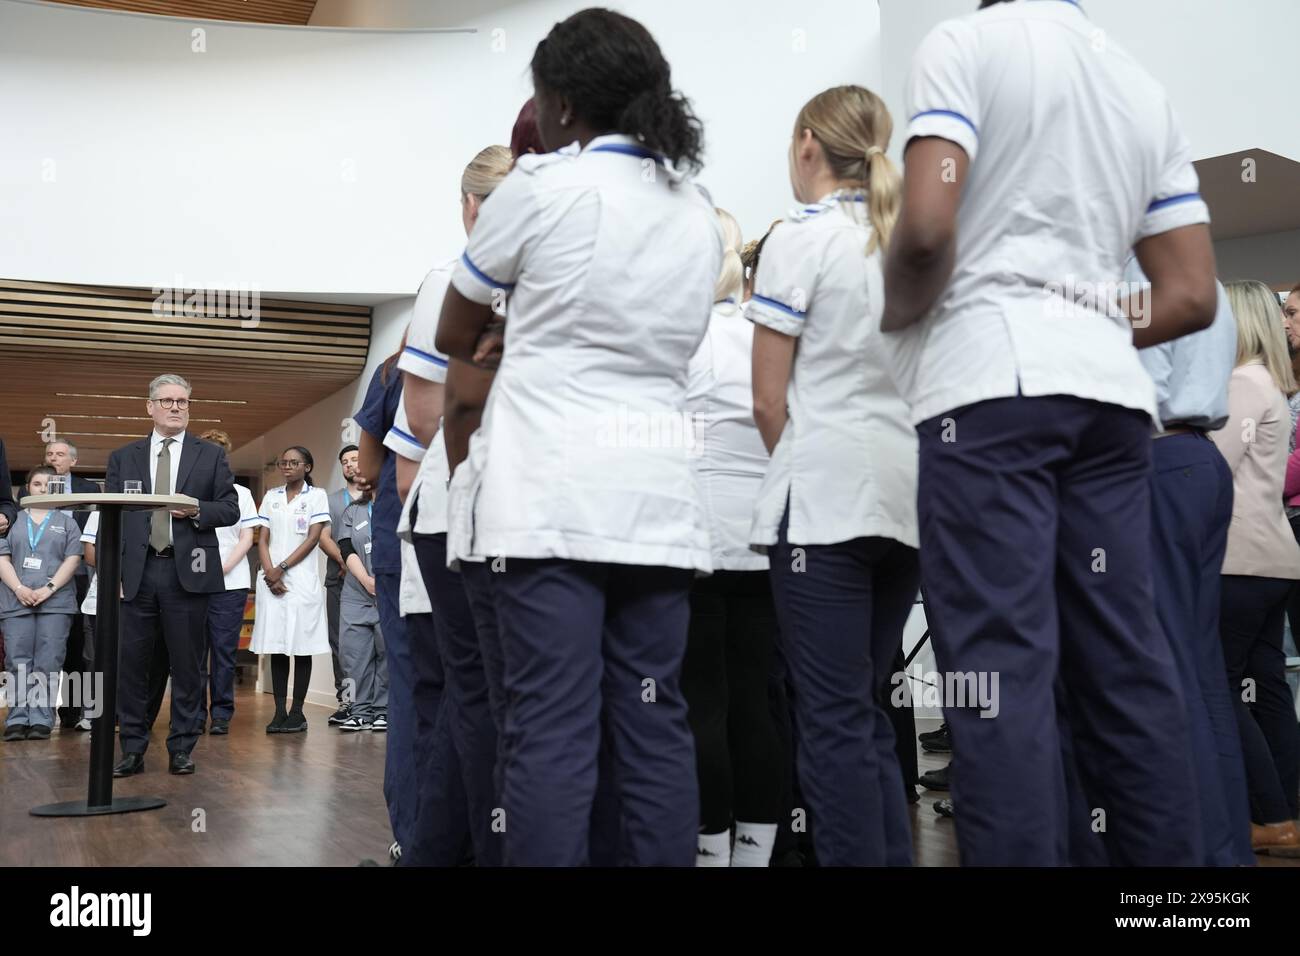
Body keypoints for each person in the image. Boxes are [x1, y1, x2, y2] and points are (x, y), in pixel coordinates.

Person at [881, 0, 1220, 865]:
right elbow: (1190, 292)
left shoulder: (963, 45)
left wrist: (899, 323)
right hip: (1108, 405)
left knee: (997, 678)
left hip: (989, 394)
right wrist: (1088, 320)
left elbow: (923, 229)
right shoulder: (1138, 82)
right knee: (1128, 666)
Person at [436, 9, 722, 866]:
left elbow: (455, 325)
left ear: (559, 103)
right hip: (660, 499)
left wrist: (510, 327)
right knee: (654, 723)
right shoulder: (696, 209)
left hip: (551, 497)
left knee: (551, 729)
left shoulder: (540, 187)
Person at [748, 86, 918, 867]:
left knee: (830, 719)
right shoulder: (907, 237)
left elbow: (768, 399)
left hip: (822, 505)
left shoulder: (800, 239)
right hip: (906, 501)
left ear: (808, 141)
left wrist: (804, 464)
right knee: (869, 710)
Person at [1105, 258, 1253, 867]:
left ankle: (1181, 865)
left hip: (1157, 460)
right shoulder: (1203, 274)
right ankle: (1221, 854)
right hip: (1199, 461)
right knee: (1200, 670)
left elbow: (1131, 391)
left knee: (1165, 671)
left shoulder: (1133, 273)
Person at [404, 144, 513, 866]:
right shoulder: (452, 281)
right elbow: (420, 414)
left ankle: (440, 851)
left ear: (468, 205)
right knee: (481, 698)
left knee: (486, 701)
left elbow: (422, 414)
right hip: (457, 515)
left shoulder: (475, 280)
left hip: (494, 511)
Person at [676, 208, 781, 867]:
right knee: (757, 703)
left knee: (702, 708)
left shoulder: (685, 336)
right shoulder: (768, 333)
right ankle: (757, 854)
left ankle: (710, 855)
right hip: (765, 537)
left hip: (696, 542)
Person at [108, 373, 239, 777]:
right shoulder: (123, 457)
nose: (176, 407)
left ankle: (182, 747)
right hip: (138, 574)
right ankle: (132, 747)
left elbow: (230, 509)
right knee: (132, 665)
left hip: (190, 573)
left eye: (182, 401)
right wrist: (113, 573)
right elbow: (111, 521)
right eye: (167, 401)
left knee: (188, 667)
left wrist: (196, 509)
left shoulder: (210, 455)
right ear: (149, 407)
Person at [1212, 279, 1300, 854]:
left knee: (1218, 686)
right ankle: (1285, 812)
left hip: (1239, 558)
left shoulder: (1244, 381)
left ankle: (1267, 815)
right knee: (1265, 687)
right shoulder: (1273, 383)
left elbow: (1215, 465)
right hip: (1274, 559)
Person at [250, 446, 330, 734]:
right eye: (284, 462)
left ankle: (298, 712)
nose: (287, 467)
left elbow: (312, 539)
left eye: (294, 463)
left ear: (307, 467)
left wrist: (280, 568)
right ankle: (279, 712)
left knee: (301, 647)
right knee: (277, 648)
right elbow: (262, 539)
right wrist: (270, 574)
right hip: (273, 582)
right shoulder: (271, 497)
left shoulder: (317, 496)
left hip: (299, 582)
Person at [0, 466, 83, 741]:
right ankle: (17, 718)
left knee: (48, 661)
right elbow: (3, 558)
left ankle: (41, 719)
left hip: (56, 602)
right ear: (27, 488)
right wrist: (19, 588)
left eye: (49, 484)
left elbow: (73, 559)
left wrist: (48, 589)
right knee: (17, 660)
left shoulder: (67, 522)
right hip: (16, 599)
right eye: (37, 483)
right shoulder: (11, 521)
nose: (43, 488)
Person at [31, 441, 99, 730]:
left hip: (81, 572)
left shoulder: (89, 490)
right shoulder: (33, 489)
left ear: (73, 460)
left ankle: (76, 710)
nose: (53, 458)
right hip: (38, 575)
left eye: (59, 454)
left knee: (80, 644)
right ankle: (34, 715)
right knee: (45, 644)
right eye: (49, 454)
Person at [195, 429, 257, 735]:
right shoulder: (188, 491)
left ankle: (221, 713)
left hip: (230, 583)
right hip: (192, 581)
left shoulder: (241, 494)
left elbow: (247, 537)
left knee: (223, 651)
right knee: (193, 651)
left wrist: (223, 567)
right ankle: (194, 713)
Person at [318, 444, 364, 724]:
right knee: (341, 644)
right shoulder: (332, 501)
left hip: (372, 585)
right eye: (344, 461)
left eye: (355, 459)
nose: (349, 465)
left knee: (376, 644)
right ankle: (347, 701)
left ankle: (375, 704)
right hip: (339, 580)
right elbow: (324, 537)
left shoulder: (378, 496)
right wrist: (346, 562)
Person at [336, 490, 387, 732]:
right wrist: (366, 580)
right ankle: (357, 710)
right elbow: (346, 548)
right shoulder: (353, 510)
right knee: (352, 656)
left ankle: (383, 710)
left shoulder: (398, 506)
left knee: (387, 654)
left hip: (391, 591)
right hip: (356, 593)